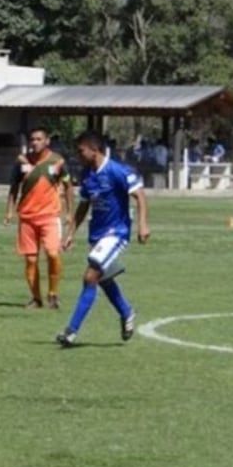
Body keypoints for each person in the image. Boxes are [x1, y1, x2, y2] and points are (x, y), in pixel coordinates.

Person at [56, 131, 150, 347]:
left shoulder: (117, 171)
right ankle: (127, 312)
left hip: (116, 234)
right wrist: (70, 233)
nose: (78, 156)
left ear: (94, 149)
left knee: (90, 277)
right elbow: (84, 205)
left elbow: (140, 195)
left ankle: (71, 331)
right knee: (104, 280)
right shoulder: (88, 175)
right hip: (97, 236)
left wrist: (143, 224)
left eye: (81, 151)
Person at [4, 128, 73, 309]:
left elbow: (68, 186)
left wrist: (69, 212)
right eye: (32, 139)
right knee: (31, 260)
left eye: (39, 139)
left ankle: (53, 293)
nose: (35, 142)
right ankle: (36, 299)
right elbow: (13, 188)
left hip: (50, 216)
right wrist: (9, 211)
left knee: (52, 253)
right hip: (27, 217)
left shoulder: (57, 161)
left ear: (47, 141)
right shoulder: (22, 162)